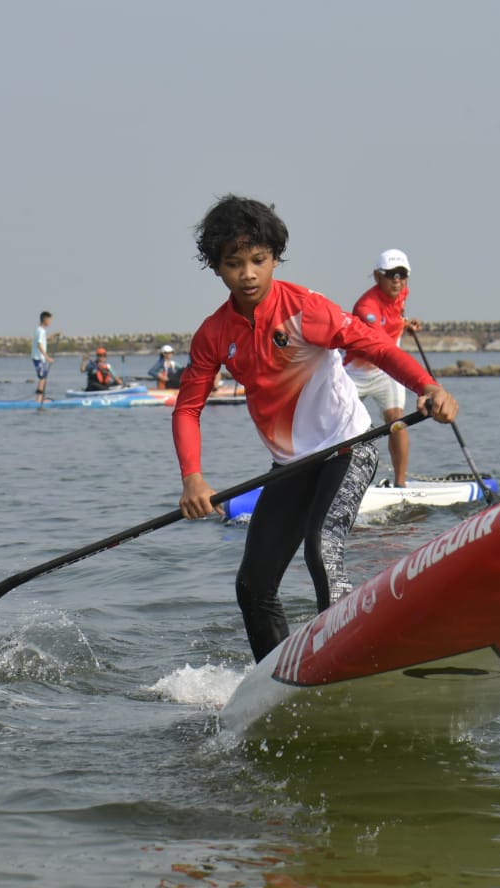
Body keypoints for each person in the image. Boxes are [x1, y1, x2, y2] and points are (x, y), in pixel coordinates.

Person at [173, 194, 459, 663]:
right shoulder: (213, 334)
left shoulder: (306, 308)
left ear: (274, 258)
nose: (248, 274)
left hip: (348, 446)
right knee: (253, 584)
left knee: (321, 551)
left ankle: (353, 660)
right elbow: (187, 409)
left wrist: (428, 386)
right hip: (289, 465)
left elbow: (377, 347)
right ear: (217, 268)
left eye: (258, 260)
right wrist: (192, 478)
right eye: (234, 264)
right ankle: (277, 680)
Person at [345, 249, 422, 487]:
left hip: (386, 372)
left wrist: (404, 324)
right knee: (341, 425)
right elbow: (380, 344)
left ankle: (400, 485)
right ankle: (337, 482)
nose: (397, 281)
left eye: (401, 274)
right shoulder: (365, 308)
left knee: (396, 420)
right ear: (378, 276)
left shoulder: (402, 293)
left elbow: (392, 317)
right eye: (390, 275)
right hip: (355, 371)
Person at [31, 311, 61, 402]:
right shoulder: (40, 331)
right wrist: (47, 357)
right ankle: (38, 400)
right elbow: (39, 345)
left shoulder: (41, 330)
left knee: (44, 377)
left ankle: (40, 399)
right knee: (42, 377)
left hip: (41, 358)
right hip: (38, 358)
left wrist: (55, 334)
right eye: (49, 320)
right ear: (45, 319)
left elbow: (45, 338)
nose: (50, 322)